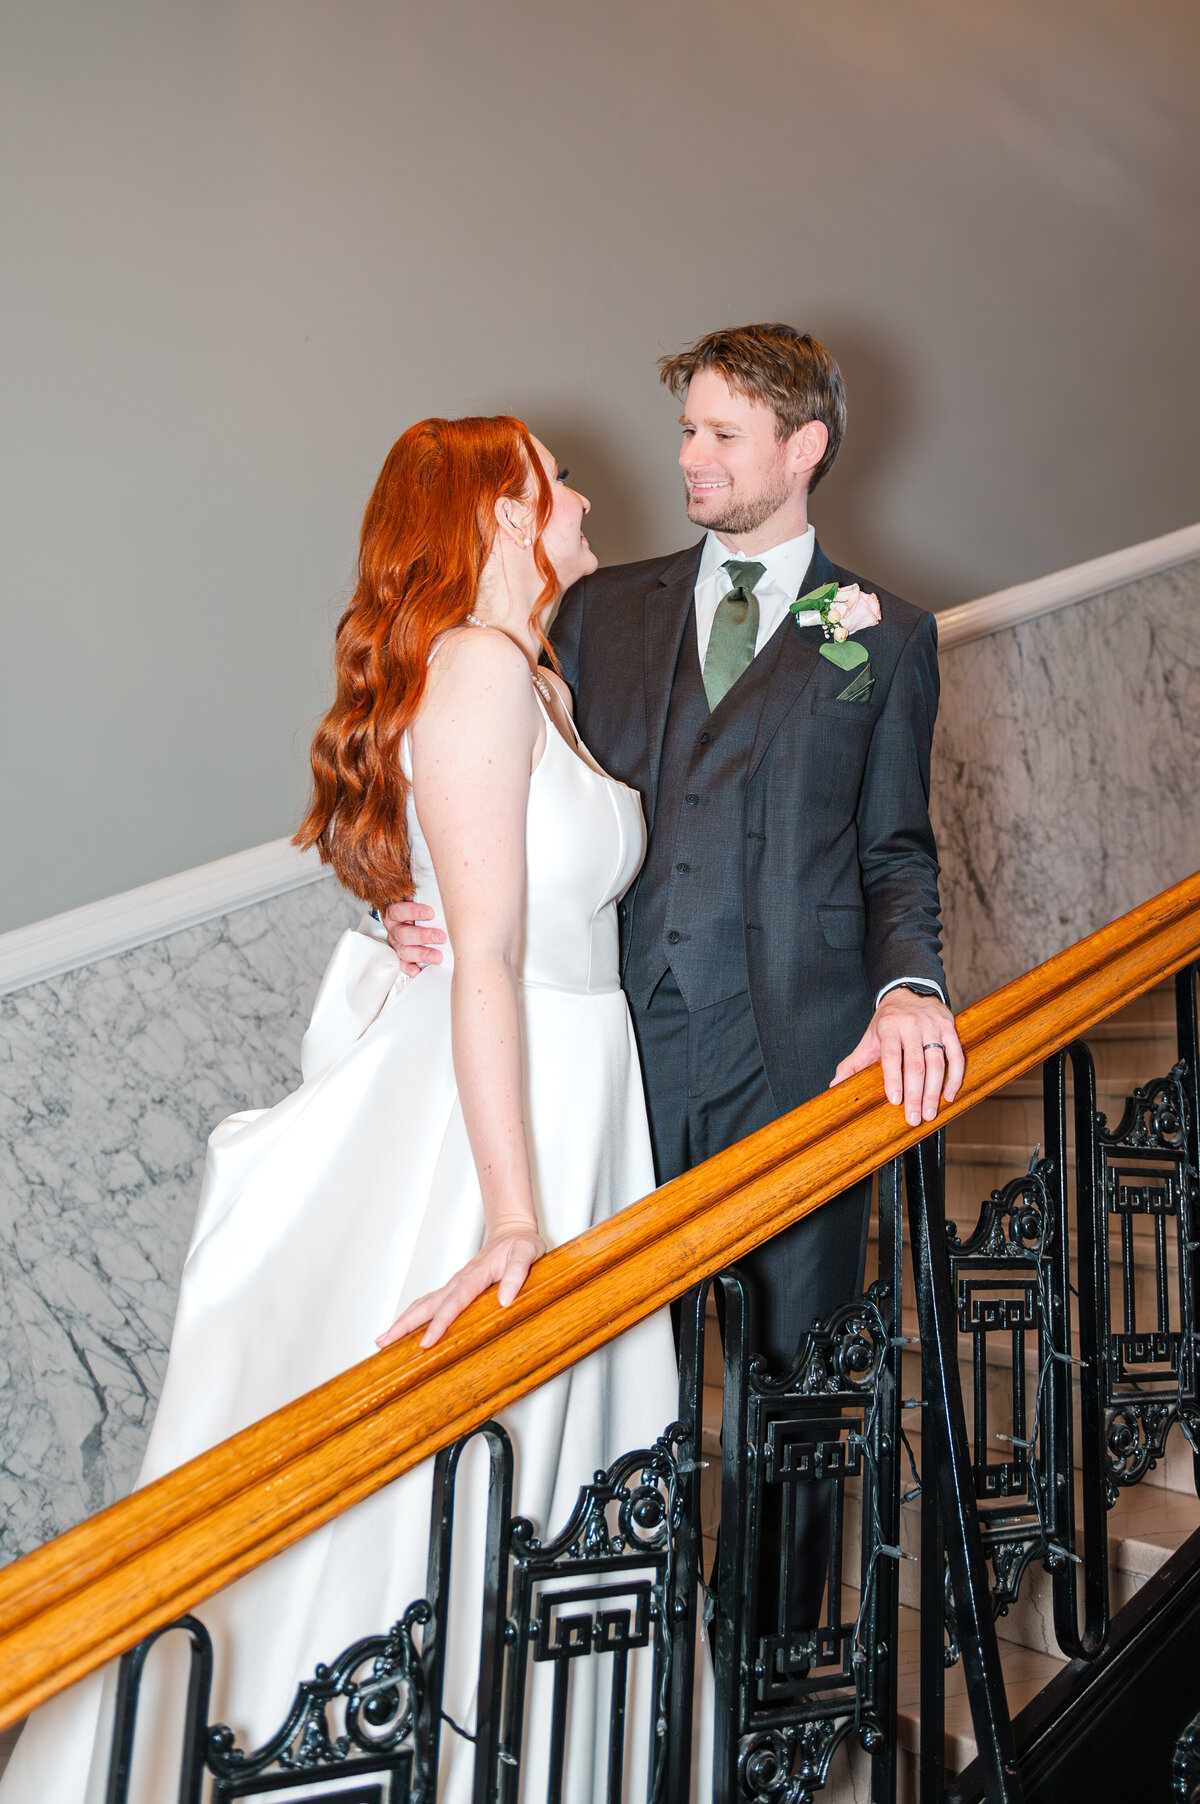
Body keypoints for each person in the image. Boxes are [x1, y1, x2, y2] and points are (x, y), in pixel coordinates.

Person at [0, 416, 690, 1802]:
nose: (588, 490)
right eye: (556, 477)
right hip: (510, 1114)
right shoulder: (481, 669)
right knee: (433, 1481)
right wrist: (508, 1213)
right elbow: (487, 950)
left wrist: (401, 924)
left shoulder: (531, 675)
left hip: (572, 1077)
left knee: (544, 1476)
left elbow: (470, 903)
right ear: (503, 512)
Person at [385, 326, 965, 1661]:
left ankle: (770, 1692)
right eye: (687, 430)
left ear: (804, 447)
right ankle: (626, 1694)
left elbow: (894, 850)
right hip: (612, 1069)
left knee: (796, 1396)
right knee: (610, 1403)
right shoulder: (599, 607)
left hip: (801, 1066)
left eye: (720, 435)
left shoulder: (889, 634)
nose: (689, 459)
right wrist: (405, 892)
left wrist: (911, 988)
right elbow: (484, 782)